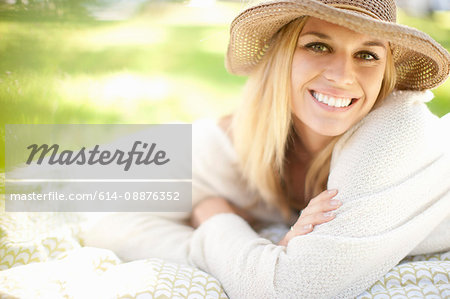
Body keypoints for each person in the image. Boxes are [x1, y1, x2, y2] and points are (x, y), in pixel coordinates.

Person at [83, 0, 450, 297]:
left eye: (367, 55)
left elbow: (290, 290)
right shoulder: (233, 143)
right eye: (318, 46)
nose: (342, 75)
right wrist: (244, 246)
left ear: (386, 69)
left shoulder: (395, 132)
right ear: (280, 56)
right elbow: (103, 219)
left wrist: (213, 215)